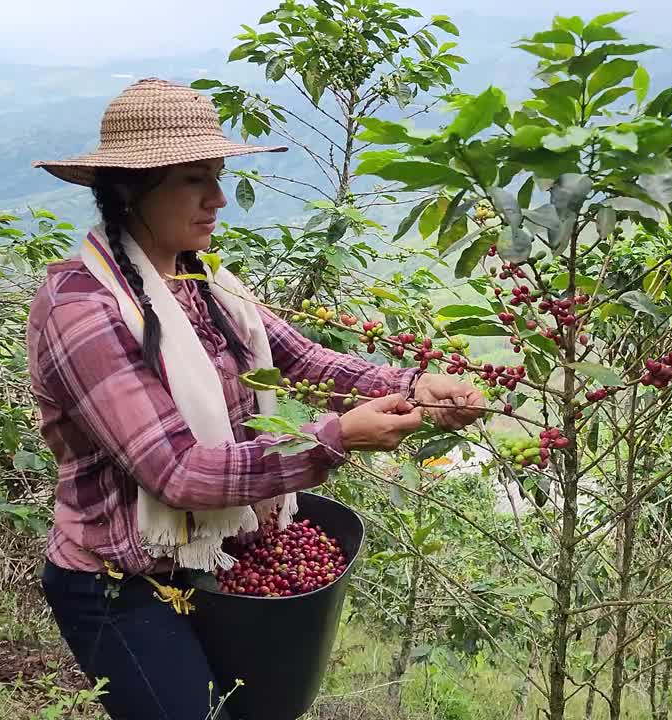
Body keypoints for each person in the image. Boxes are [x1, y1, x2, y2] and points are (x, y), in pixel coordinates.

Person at [26, 77, 485, 720]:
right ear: (130, 189)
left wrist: (413, 386)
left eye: (216, 175)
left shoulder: (200, 281)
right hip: (115, 582)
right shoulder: (84, 309)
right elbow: (176, 472)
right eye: (195, 180)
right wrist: (336, 438)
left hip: (206, 559)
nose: (218, 198)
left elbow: (303, 359)